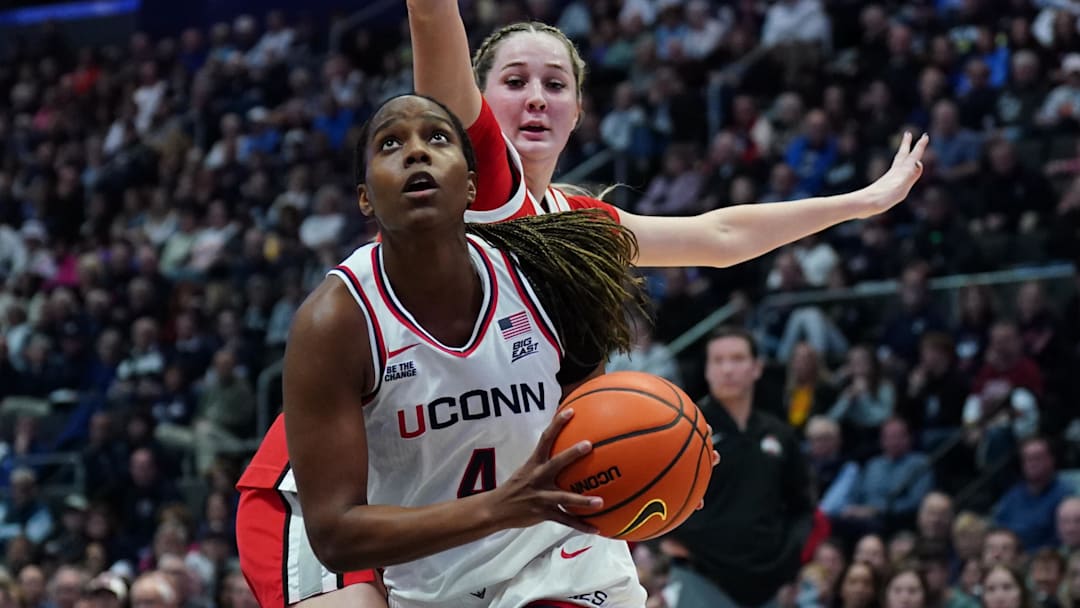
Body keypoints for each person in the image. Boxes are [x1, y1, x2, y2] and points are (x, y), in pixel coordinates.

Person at [237, 93, 667, 607]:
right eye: (390, 143)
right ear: (365, 198)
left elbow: (593, 433)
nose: (415, 152)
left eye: (437, 137)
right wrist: (503, 506)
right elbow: (336, 536)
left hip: (556, 551)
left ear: (470, 185)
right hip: (415, 565)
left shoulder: (550, 278)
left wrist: (664, 457)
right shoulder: (333, 323)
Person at [406, 1, 929, 269]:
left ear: (579, 111)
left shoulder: (579, 222)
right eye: (515, 82)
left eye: (556, 84)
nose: (538, 97)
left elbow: (721, 238)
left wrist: (862, 201)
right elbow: (430, 14)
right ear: (475, 102)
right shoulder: (478, 177)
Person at [661, 327, 815, 608]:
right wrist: (667, 536)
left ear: (757, 368)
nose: (727, 369)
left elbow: (802, 507)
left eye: (737, 358)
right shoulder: (684, 430)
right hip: (701, 578)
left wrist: (789, 561)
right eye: (718, 361)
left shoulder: (778, 433)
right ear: (707, 371)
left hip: (767, 586)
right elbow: (655, 495)